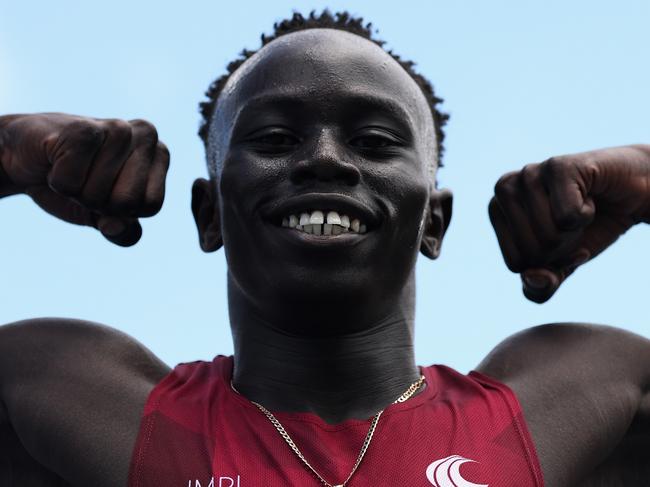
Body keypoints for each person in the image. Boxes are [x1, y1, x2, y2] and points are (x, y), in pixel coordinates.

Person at [0, 10, 648, 487]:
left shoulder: (560, 400)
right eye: (276, 138)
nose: (325, 161)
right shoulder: (81, 397)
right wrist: (7, 148)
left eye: (373, 140)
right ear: (208, 214)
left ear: (434, 222)